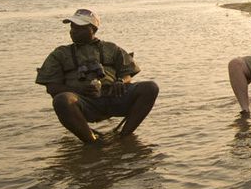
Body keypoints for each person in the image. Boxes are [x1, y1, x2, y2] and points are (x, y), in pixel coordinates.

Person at [36, 8, 159, 144]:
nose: (73, 31)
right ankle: (92, 143)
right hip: (85, 102)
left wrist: (120, 82)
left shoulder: (111, 48)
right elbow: (52, 88)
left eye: (79, 28)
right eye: (72, 27)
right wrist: (79, 91)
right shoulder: (60, 54)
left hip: (114, 97)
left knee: (150, 88)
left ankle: (124, 136)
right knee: (62, 100)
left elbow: (127, 74)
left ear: (93, 29)